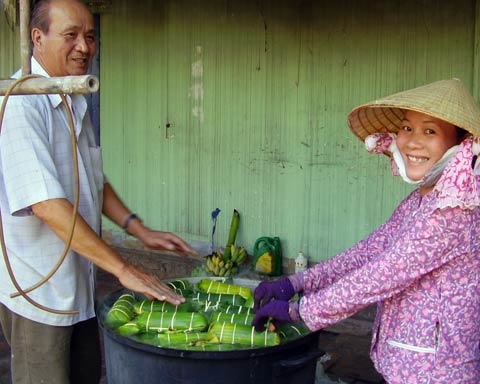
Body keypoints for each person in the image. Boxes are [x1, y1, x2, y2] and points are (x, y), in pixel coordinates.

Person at [0, 0, 197, 383]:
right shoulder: (22, 104)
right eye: (70, 35)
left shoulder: (72, 96)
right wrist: (124, 269)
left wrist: (140, 230)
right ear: (36, 38)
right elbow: (47, 204)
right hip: (40, 293)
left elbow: (93, 180)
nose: (84, 47)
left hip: (79, 282)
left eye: (90, 36)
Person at [252, 78, 480, 383]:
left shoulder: (453, 213)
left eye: (430, 131)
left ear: (460, 146)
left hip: (438, 372)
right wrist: (296, 282)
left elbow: (380, 275)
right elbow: (368, 252)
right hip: (405, 363)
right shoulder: (422, 200)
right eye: (407, 128)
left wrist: (301, 311)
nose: (412, 141)